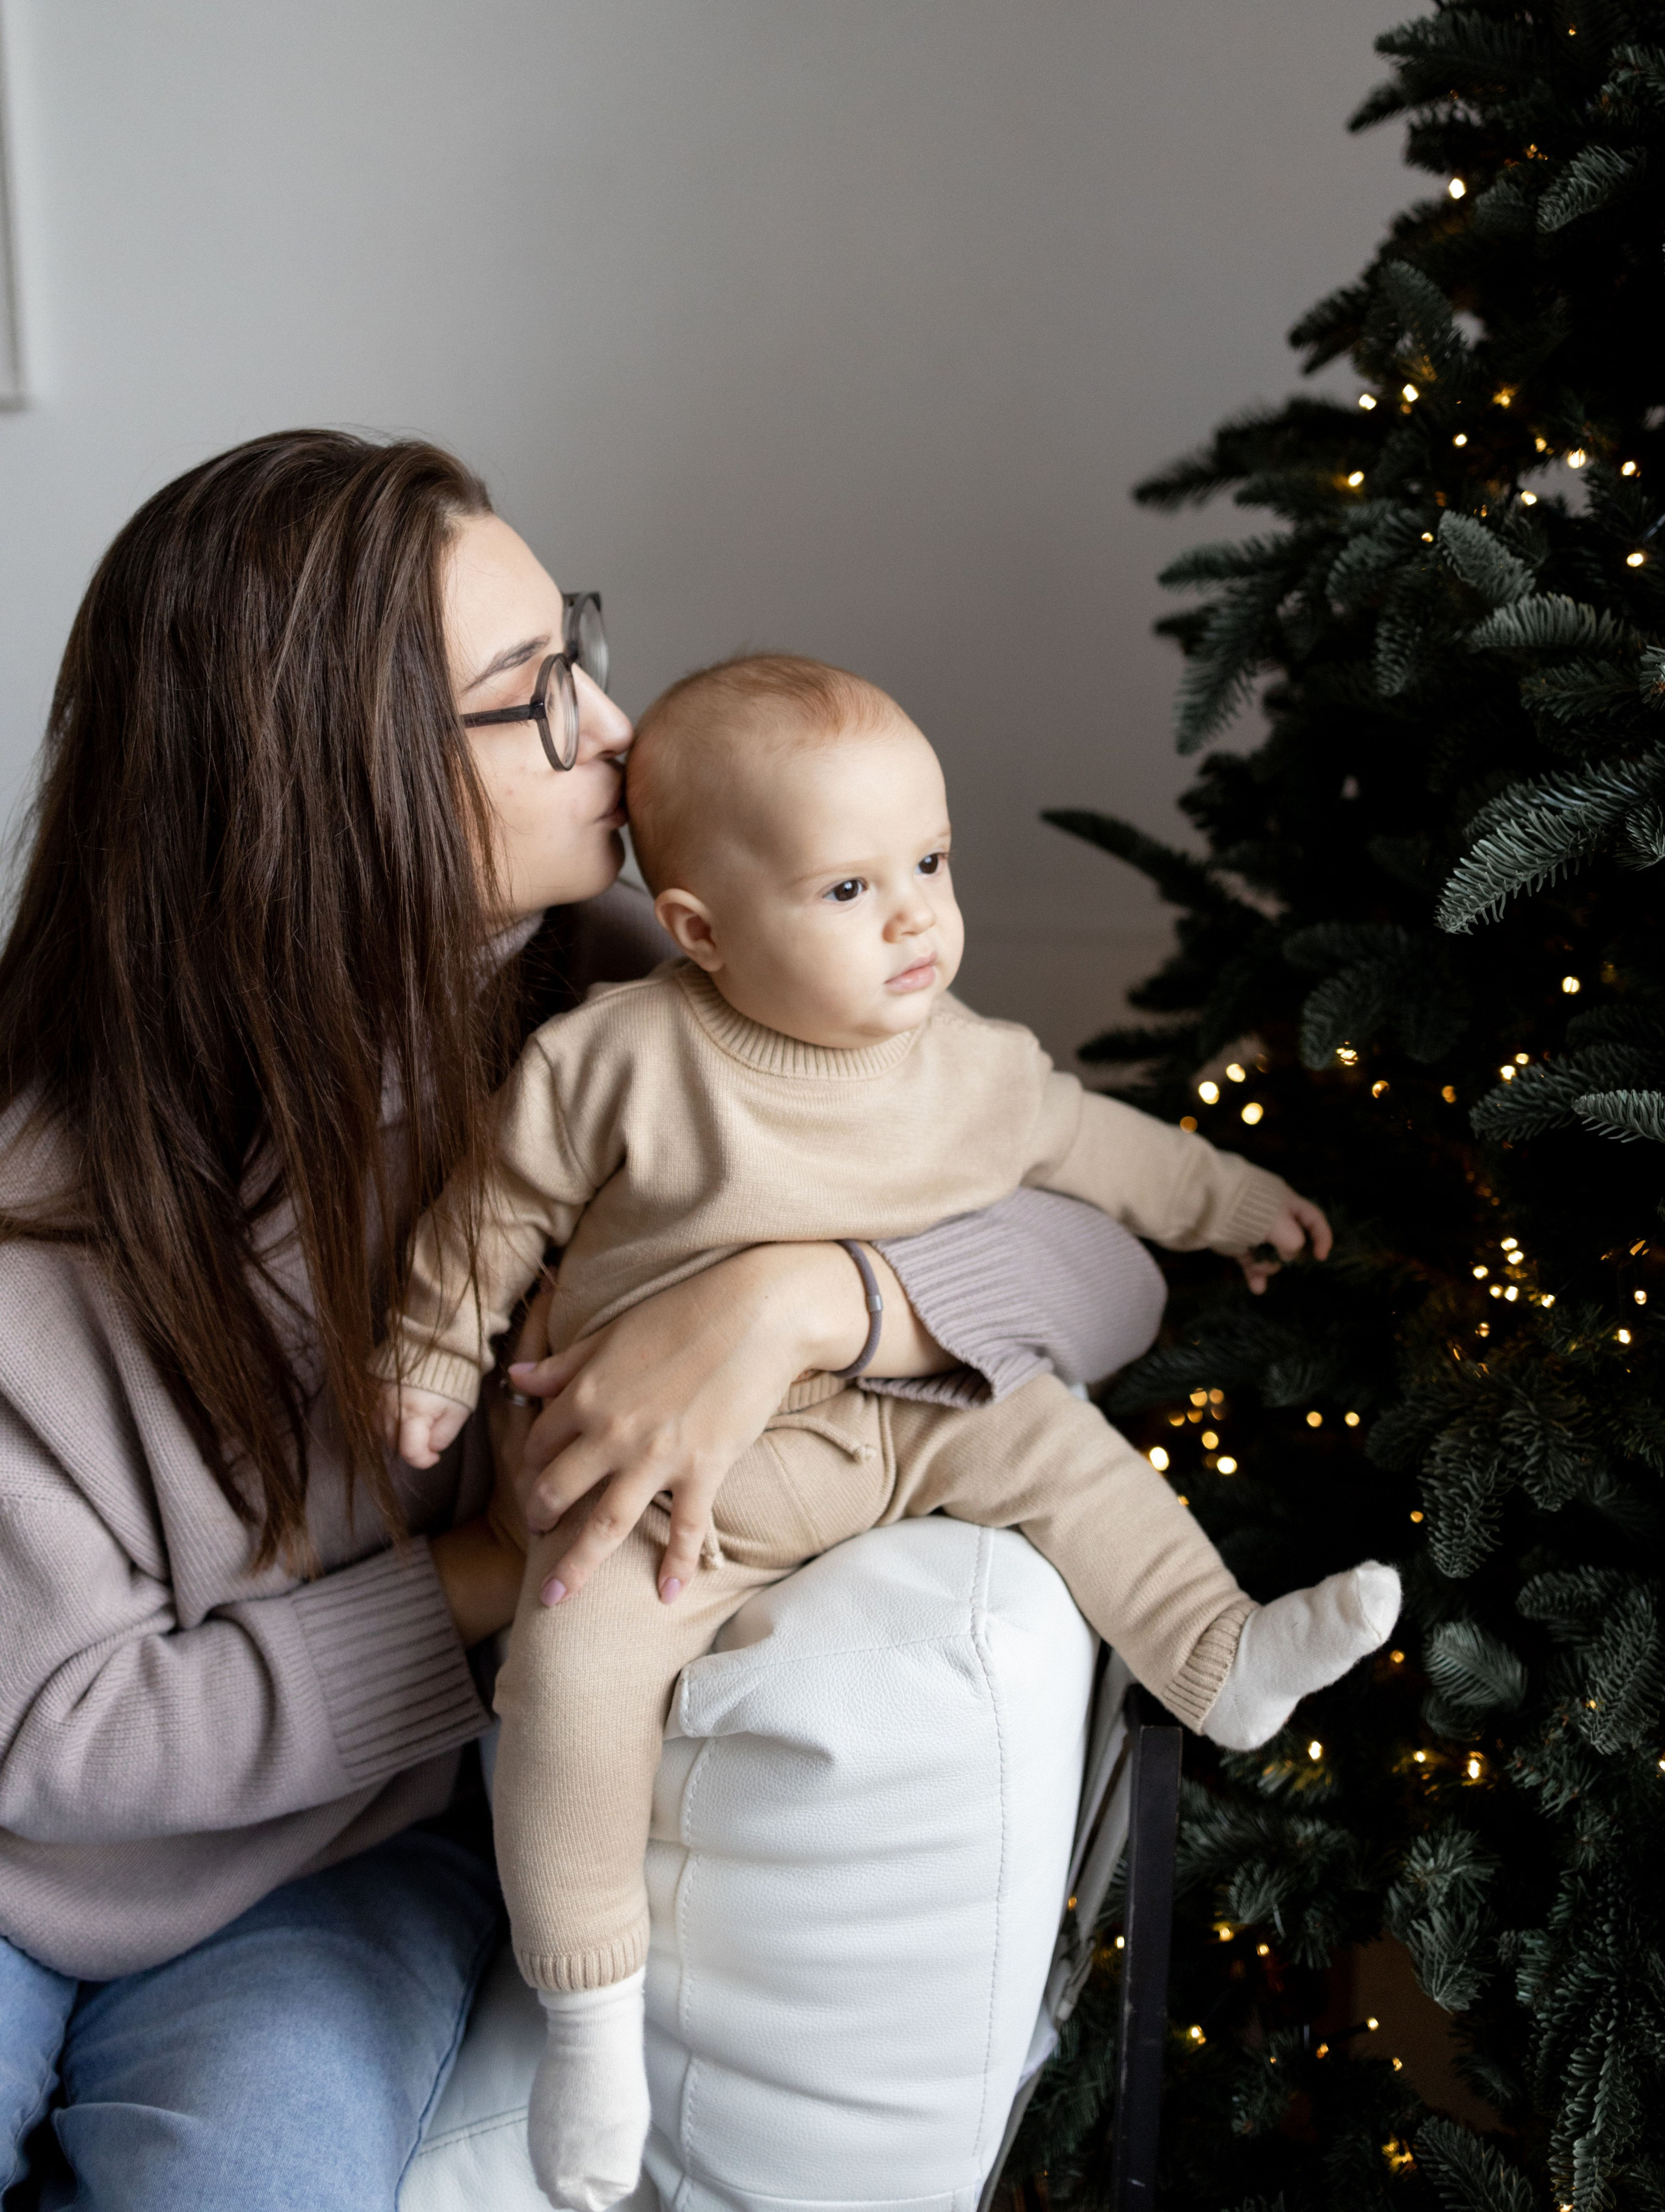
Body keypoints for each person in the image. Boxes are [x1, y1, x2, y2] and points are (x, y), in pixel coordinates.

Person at [0, 431, 1171, 2212]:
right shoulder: (41, 1199)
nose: (615, 732)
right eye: (531, 693)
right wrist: (491, 1567)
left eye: (581, 652)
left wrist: (813, 1299)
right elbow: (63, 1740)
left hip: (347, 1879)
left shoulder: (648, 1003)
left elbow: (1101, 1245)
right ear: (334, 780)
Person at [378, 652, 1403, 2211]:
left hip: (898, 1421)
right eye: (850, 886)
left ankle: (1217, 1658)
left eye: (929, 861)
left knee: (1052, 1441)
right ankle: (586, 2019)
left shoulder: (961, 1065)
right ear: (704, 932)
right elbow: (492, 1215)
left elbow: (1091, 1147)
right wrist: (431, 1362)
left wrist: (1234, 1201)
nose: (918, 916)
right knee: (570, 1666)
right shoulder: (617, 1059)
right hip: (679, 1485)